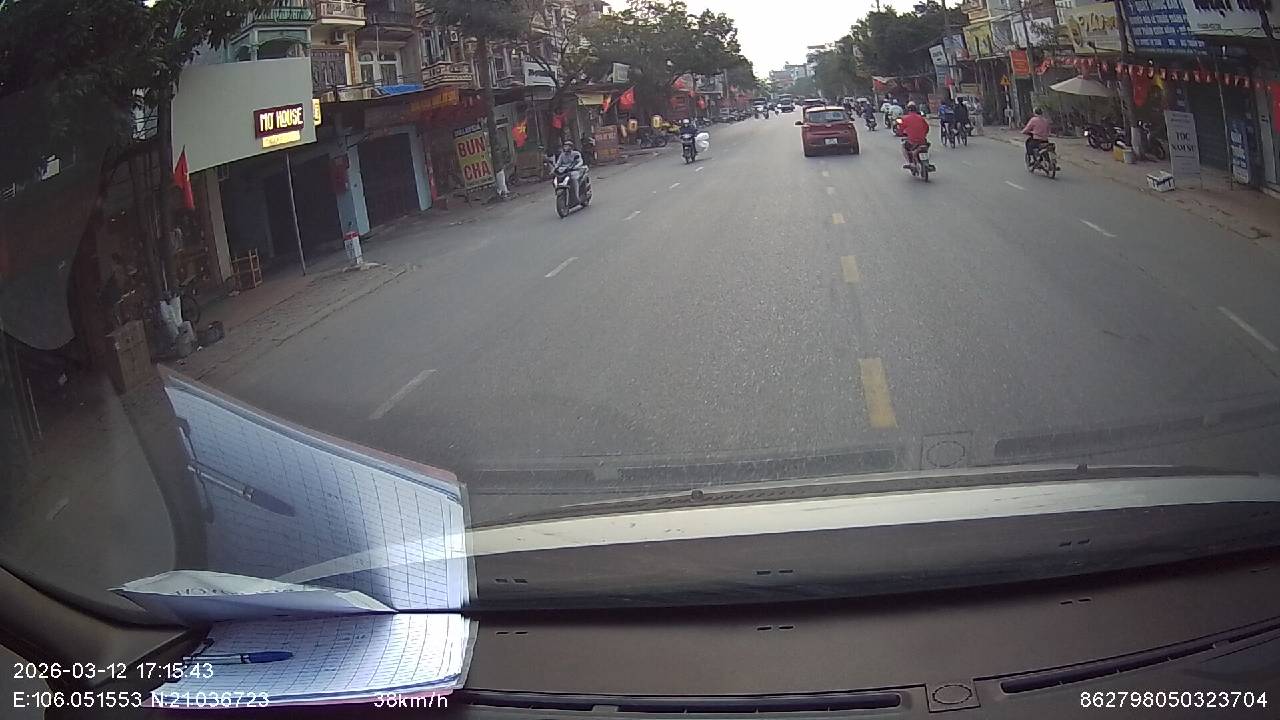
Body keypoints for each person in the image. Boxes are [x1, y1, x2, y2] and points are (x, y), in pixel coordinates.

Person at [898, 101, 930, 169]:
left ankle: (910, 163)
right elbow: (927, 128)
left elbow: (900, 129)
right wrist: (923, 134)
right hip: (922, 141)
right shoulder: (921, 118)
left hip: (912, 142)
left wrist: (902, 134)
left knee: (904, 146)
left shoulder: (904, 118)